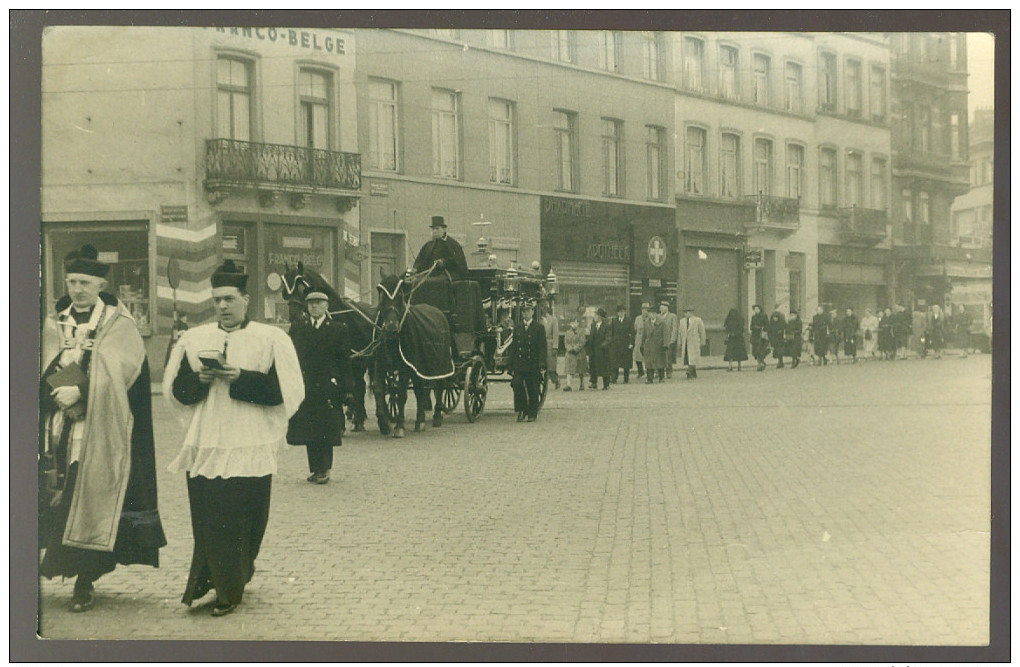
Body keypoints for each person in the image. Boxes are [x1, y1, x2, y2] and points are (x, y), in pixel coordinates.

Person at [164, 261, 304, 617]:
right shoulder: (195, 339)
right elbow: (178, 391)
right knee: (209, 516)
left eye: (229, 299)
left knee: (247, 516)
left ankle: (237, 575)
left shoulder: (270, 338)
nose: (222, 306)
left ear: (246, 299)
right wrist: (199, 382)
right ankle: (223, 586)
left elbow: (285, 392)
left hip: (249, 442)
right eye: (217, 300)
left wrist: (241, 377)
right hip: (207, 442)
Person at [39, 245, 167, 613]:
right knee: (54, 496)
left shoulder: (118, 324)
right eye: (71, 281)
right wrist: (54, 392)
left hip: (99, 431)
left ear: (100, 284)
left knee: (89, 496)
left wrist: (80, 390)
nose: (77, 289)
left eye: (85, 282)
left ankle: (84, 580)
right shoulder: (53, 322)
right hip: (55, 427)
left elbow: (121, 373)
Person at [286, 291, 354, 485]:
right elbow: (292, 358)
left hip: (327, 386)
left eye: (318, 303)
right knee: (310, 429)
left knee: (325, 428)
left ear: (326, 306)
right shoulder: (299, 329)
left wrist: (347, 388)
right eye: (310, 304)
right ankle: (315, 469)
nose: (314, 307)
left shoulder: (338, 329)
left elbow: (344, 361)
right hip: (307, 386)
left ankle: (324, 469)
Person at [509, 301, 547, 422]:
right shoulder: (518, 328)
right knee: (516, 384)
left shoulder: (539, 328)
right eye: (524, 311)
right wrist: (511, 364)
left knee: (533, 388)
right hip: (520, 364)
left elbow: (542, 347)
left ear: (533, 312)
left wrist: (542, 363)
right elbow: (514, 347)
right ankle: (521, 410)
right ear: (522, 313)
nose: (527, 313)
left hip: (533, 363)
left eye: (529, 311)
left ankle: (532, 413)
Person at [412, 215, 468, 280]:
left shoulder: (452, 244)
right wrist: (416, 268)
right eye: (433, 229)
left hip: (448, 275)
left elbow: (457, 261)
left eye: (437, 228)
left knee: (430, 282)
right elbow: (420, 259)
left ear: (444, 229)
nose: (434, 231)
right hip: (429, 275)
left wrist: (443, 262)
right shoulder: (428, 245)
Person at [586, 307, 613, 390]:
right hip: (594, 349)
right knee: (593, 366)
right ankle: (594, 382)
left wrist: (603, 345)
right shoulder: (593, 325)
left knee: (604, 367)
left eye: (596, 315)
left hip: (603, 350)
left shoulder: (606, 326)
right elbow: (591, 337)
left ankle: (606, 384)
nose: (594, 317)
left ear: (600, 317)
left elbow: (608, 338)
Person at [677, 306, 706, 379]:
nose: (686, 314)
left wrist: (703, 341)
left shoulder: (697, 320)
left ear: (691, 313)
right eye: (685, 313)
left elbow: (702, 332)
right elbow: (679, 332)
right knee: (688, 357)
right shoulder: (682, 321)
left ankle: (689, 371)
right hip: (685, 342)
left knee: (692, 358)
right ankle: (693, 373)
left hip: (694, 342)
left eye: (687, 312)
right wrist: (679, 341)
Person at [609, 304, 635, 384]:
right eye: (619, 312)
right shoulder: (614, 321)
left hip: (625, 344)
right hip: (616, 344)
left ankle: (626, 378)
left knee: (626, 363)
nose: (621, 313)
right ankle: (614, 378)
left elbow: (632, 333)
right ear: (617, 313)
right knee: (615, 363)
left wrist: (631, 343)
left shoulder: (629, 320)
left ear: (625, 312)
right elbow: (611, 333)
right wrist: (611, 343)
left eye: (622, 312)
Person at [562, 317, 588, 392]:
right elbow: (566, 342)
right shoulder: (567, 332)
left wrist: (575, 349)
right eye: (572, 323)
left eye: (575, 323)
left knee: (581, 369)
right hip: (570, 353)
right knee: (569, 368)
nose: (574, 325)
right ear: (570, 324)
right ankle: (568, 384)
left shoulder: (581, 331)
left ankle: (581, 383)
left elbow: (582, 342)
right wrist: (569, 349)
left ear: (578, 323)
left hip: (579, 352)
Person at [641, 310, 667, 383]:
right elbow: (644, 335)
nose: (652, 315)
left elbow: (665, 334)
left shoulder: (661, 323)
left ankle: (661, 378)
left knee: (660, 362)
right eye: (650, 313)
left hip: (659, 345)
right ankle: (649, 378)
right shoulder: (646, 323)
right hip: (648, 345)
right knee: (649, 363)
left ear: (656, 314)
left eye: (653, 313)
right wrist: (642, 345)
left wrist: (665, 345)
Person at [540, 302, 560, 390]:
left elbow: (556, 334)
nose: (543, 309)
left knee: (551, 366)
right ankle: (543, 381)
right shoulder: (538, 319)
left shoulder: (553, 319)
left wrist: (555, 347)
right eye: (542, 307)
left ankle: (555, 380)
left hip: (549, 344)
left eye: (545, 307)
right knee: (541, 364)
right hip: (540, 344)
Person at [723, 307, 748, 372]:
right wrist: (730, 333)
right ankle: (733, 366)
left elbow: (741, 329)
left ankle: (735, 366)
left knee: (735, 353)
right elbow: (726, 328)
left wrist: (733, 333)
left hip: (737, 338)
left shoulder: (735, 319)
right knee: (732, 353)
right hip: (734, 339)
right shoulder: (732, 319)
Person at [658, 301, 678, 378]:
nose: (661, 309)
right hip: (659, 339)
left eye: (662, 308)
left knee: (668, 356)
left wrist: (673, 339)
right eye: (660, 308)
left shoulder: (672, 316)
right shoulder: (658, 316)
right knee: (659, 356)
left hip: (668, 339)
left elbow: (675, 328)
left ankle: (669, 371)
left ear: (666, 308)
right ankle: (658, 371)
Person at [632, 302, 650, 379]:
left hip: (647, 339)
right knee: (637, 356)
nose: (645, 311)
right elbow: (635, 328)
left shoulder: (650, 318)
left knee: (648, 356)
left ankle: (651, 372)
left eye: (647, 309)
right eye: (643, 309)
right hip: (639, 339)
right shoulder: (638, 318)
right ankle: (640, 371)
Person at [750, 304, 770, 371]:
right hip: (755, 335)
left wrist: (762, 328)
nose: (756, 310)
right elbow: (751, 326)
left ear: (760, 309)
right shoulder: (753, 317)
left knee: (760, 350)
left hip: (761, 336)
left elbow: (767, 325)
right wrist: (755, 327)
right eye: (754, 309)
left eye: (757, 309)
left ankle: (760, 364)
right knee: (755, 351)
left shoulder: (764, 316)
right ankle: (761, 363)